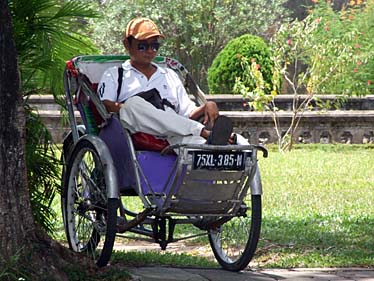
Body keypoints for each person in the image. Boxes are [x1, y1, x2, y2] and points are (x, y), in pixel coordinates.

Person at [98, 17, 243, 147]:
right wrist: (145, 111)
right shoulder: (115, 74)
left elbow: (187, 112)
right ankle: (201, 132)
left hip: (174, 130)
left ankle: (219, 144)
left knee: (215, 146)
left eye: (155, 46)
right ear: (127, 45)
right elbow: (106, 106)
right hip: (136, 126)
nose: (150, 51)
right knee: (133, 105)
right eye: (142, 46)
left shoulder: (169, 75)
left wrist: (207, 106)